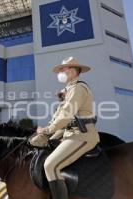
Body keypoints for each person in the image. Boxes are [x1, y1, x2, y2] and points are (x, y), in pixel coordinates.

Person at [30, 57, 100, 199]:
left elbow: (67, 114)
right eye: (61, 69)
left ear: (74, 71)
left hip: (82, 135)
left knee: (50, 165)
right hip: (69, 133)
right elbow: (58, 115)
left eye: (64, 69)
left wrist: (48, 130)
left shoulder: (78, 88)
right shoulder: (68, 89)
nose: (61, 72)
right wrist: (47, 131)